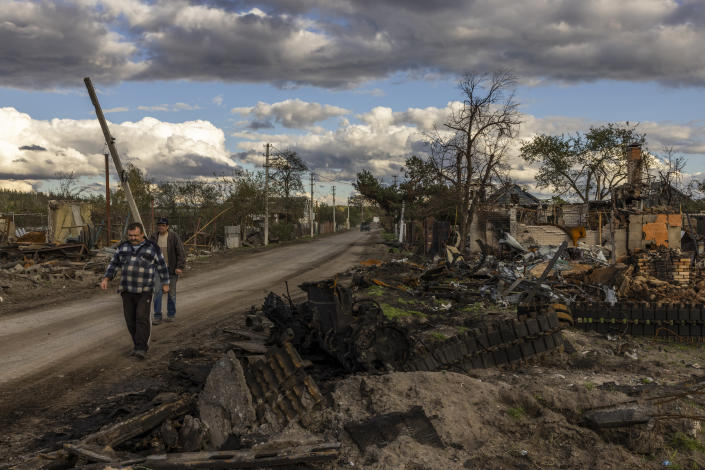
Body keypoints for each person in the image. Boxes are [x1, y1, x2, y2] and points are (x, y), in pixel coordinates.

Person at [101, 222, 169, 359]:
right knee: (130, 320)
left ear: (142, 234)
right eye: (130, 235)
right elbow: (114, 264)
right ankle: (137, 344)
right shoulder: (123, 247)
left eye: (135, 235)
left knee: (141, 317)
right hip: (126, 289)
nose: (132, 238)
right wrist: (106, 279)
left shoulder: (152, 248)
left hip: (145, 289)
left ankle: (141, 348)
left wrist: (165, 282)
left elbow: (162, 265)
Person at [148, 217, 186, 324]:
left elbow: (181, 253)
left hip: (172, 269)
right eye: (159, 225)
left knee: (171, 293)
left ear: (167, 226)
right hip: (158, 270)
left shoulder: (173, 237)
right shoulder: (154, 237)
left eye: (163, 225)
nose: (161, 227)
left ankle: (171, 314)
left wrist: (179, 267)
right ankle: (157, 316)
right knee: (157, 292)